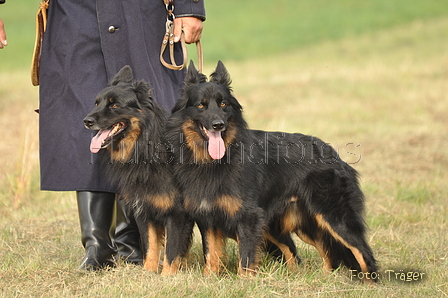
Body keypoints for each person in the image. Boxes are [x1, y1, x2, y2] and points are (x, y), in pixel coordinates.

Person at [1, 0, 205, 270]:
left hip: (143, 15)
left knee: (148, 117)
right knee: (82, 114)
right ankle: (97, 245)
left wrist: (189, 6)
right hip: (74, 14)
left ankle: (133, 242)